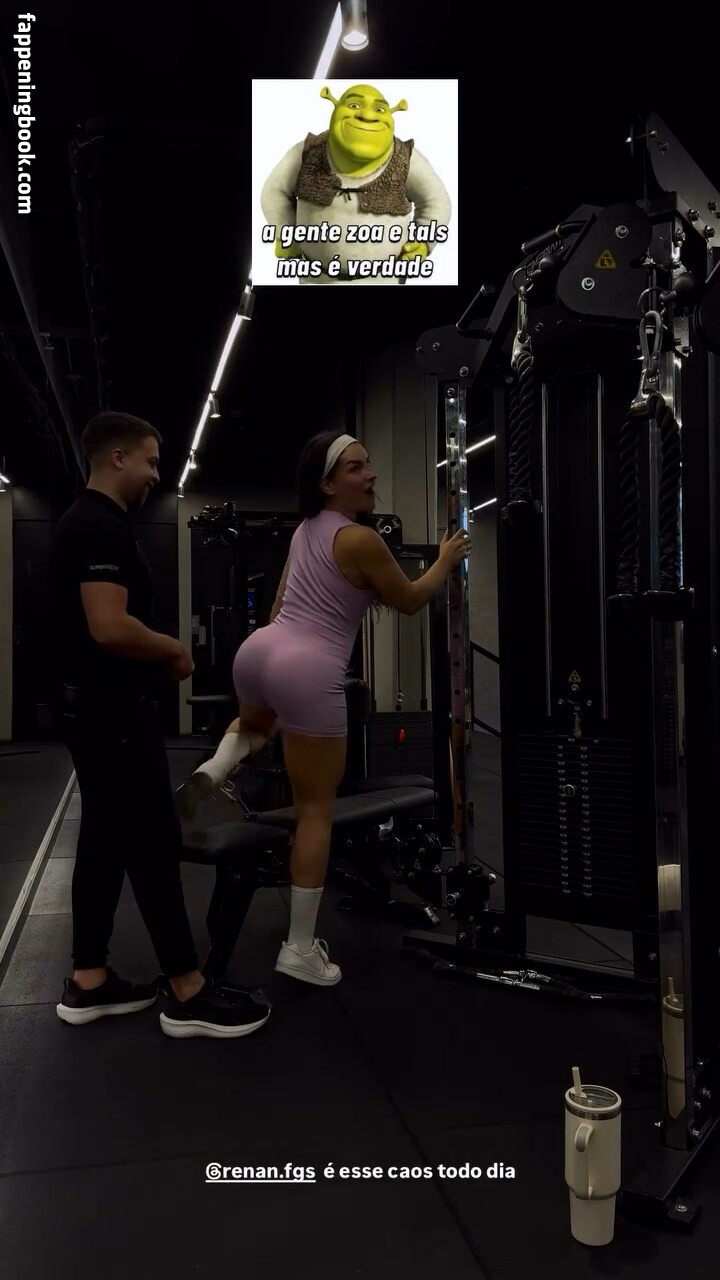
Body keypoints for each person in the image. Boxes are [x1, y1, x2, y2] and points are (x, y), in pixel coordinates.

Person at [175, 430, 471, 986]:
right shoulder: (360, 539)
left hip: (260, 651)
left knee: (256, 724)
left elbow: (278, 605)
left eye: (369, 463)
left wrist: (281, 665)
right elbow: (409, 600)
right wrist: (445, 559)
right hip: (309, 664)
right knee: (315, 811)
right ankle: (300, 948)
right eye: (357, 467)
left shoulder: (304, 531)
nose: (371, 474)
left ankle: (214, 770)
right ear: (328, 483)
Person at [49, 411, 270, 1040]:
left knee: (104, 839)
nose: (154, 474)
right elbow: (108, 625)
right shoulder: (98, 525)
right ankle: (188, 990)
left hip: (95, 710)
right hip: (112, 714)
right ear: (117, 458)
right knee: (151, 840)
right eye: (149, 460)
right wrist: (174, 651)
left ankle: (89, 978)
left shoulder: (92, 522)